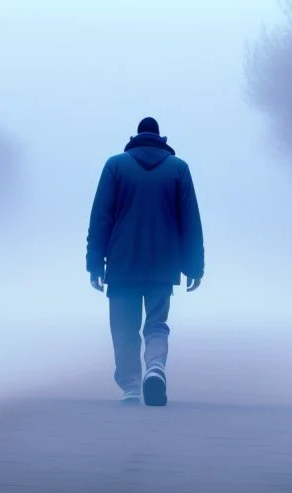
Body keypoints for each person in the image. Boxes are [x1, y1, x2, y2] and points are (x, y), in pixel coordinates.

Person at [86, 117, 205, 406]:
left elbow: (101, 217)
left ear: (136, 136)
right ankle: (155, 367)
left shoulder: (115, 166)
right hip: (163, 265)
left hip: (121, 264)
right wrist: (194, 266)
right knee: (156, 324)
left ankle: (130, 386)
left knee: (124, 328)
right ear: (160, 138)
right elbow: (190, 221)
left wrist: (94, 264)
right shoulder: (179, 169)